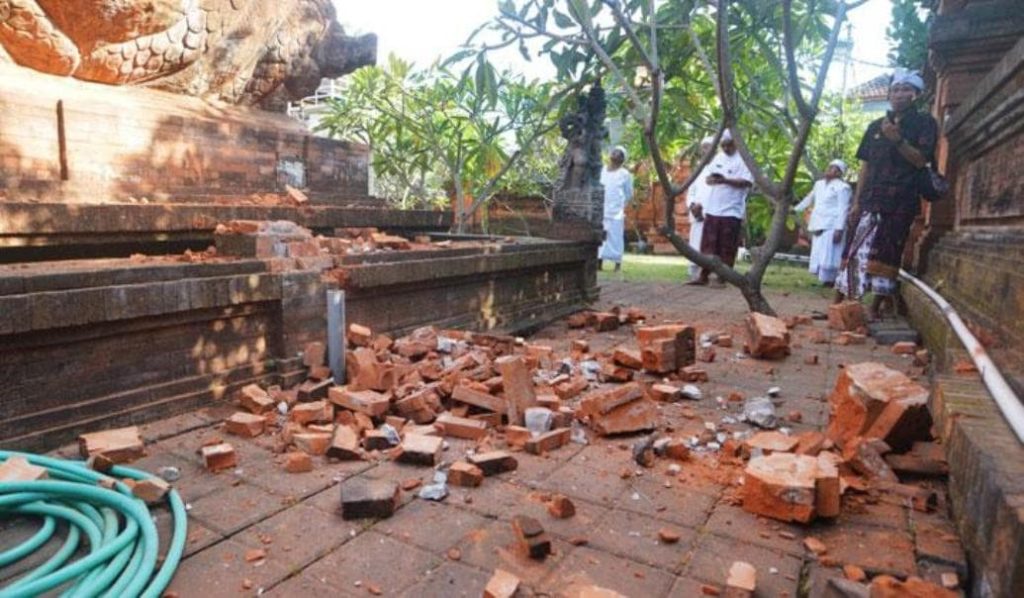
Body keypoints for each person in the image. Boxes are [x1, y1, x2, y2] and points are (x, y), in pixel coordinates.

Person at [835, 70, 938, 320]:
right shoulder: (874, 127)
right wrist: (856, 201)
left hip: (901, 199)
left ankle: (875, 307)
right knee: (855, 248)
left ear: (916, 94)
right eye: (896, 89)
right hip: (871, 197)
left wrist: (898, 140)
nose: (900, 94)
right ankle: (840, 304)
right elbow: (865, 166)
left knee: (888, 252)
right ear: (889, 94)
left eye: (906, 90)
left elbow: (920, 160)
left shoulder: (925, 124)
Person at [688, 129, 753, 286]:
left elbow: (747, 182)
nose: (725, 149)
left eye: (728, 145)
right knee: (708, 245)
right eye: (723, 146)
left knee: (726, 246)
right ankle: (703, 276)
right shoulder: (718, 157)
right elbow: (709, 178)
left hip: (731, 210)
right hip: (713, 208)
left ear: (735, 143)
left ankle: (722, 278)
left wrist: (725, 181)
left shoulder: (743, 160)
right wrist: (713, 180)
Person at [794, 159, 852, 287]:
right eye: (829, 167)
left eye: (834, 169)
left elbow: (843, 209)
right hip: (819, 222)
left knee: (830, 255)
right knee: (820, 253)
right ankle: (823, 279)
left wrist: (839, 229)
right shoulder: (819, 184)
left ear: (839, 173)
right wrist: (795, 209)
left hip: (832, 224)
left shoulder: (843, 187)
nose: (830, 170)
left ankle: (831, 281)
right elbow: (809, 199)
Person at [684, 136, 716, 282]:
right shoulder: (698, 168)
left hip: (713, 213)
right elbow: (691, 190)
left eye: (709, 146)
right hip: (696, 213)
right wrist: (692, 207)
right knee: (695, 242)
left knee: (711, 244)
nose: (706, 150)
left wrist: (706, 211)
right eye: (704, 147)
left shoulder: (718, 166)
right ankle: (694, 272)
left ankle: (710, 273)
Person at [597, 146, 633, 272]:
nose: (616, 154)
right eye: (614, 152)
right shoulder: (602, 170)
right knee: (600, 236)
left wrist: (621, 206)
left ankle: (617, 264)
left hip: (616, 212)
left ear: (623, 159)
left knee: (616, 237)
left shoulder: (625, 174)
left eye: (620, 153)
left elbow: (628, 193)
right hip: (601, 210)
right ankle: (599, 262)